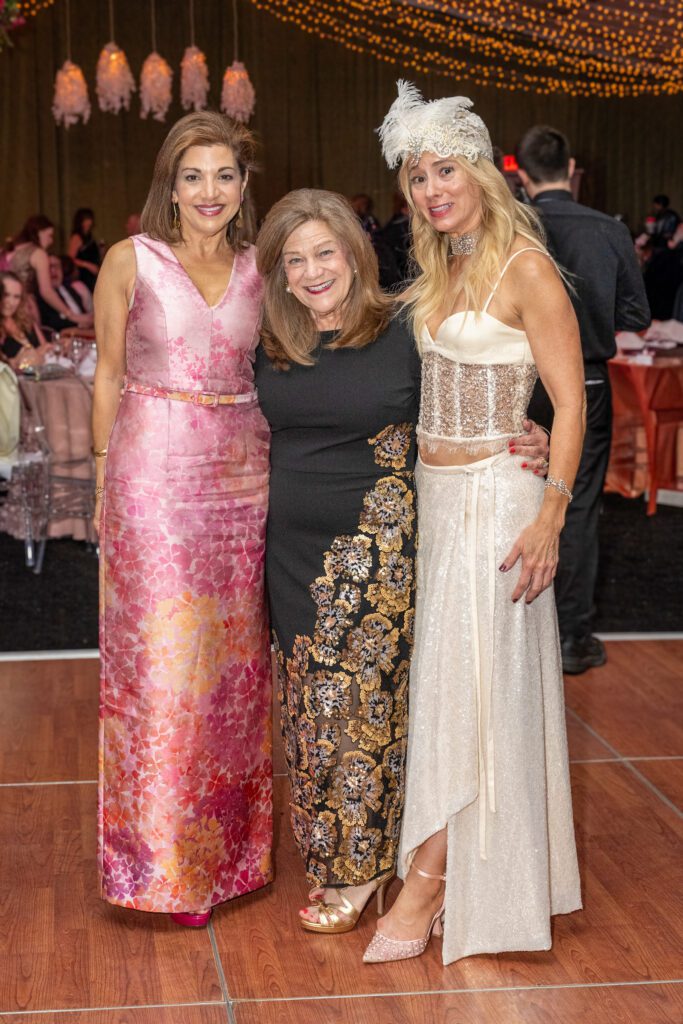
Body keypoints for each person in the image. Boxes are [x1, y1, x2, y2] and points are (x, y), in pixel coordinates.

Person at [254, 188, 550, 936]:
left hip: (380, 544)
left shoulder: (405, 327)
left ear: (355, 253)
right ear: (279, 275)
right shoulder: (270, 339)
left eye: (325, 252)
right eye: (294, 259)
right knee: (308, 710)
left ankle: (366, 871)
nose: (312, 270)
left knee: (368, 704)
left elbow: (475, 389)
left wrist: (528, 433)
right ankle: (342, 855)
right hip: (287, 547)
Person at [364, 82, 584, 966]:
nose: (430, 188)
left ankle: (425, 883)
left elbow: (571, 404)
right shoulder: (440, 264)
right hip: (437, 500)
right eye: (417, 176)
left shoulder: (523, 266)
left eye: (444, 169)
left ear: (483, 173)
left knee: (483, 694)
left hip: (501, 503)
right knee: (451, 690)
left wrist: (552, 515)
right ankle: (453, 870)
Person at [93, 110, 272, 929]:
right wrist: (101, 479)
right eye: (193, 175)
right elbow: (105, 376)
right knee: (165, 669)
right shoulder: (130, 260)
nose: (210, 191)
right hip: (152, 479)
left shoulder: (261, 267)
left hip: (243, 479)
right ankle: (161, 865)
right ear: (171, 182)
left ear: (243, 186)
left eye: (224, 175)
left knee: (234, 675)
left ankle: (230, 854)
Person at [516, 125, 650, 674]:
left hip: (520, 382)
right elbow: (637, 316)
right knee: (578, 507)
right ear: (571, 169)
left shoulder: (515, 228)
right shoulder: (606, 229)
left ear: (521, 176)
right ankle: (572, 636)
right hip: (587, 384)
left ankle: (522, 632)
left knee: (517, 497)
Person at [8, 215, 91, 330]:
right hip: (24, 307)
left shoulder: (10, 249)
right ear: (39, 232)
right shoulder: (38, 253)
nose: (51, 241)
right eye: (49, 236)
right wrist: (72, 316)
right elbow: (46, 291)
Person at [0, 270, 51, 370]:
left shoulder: (27, 321)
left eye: (16, 297)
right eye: (6, 295)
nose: (10, 302)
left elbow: (47, 350)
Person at [37, 255, 94, 332]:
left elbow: (83, 312)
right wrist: (79, 324)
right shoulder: (42, 296)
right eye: (49, 267)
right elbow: (50, 322)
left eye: (57, 266)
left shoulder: (70, 289)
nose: (54, 271)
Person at [68, 207, 101, 293]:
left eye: (90, 218)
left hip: (92, 275)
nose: (89, 221)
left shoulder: (89, 237)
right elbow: (70, 259)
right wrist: (87, 265)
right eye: (87, 219)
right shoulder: (77, 237)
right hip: (84, 275)